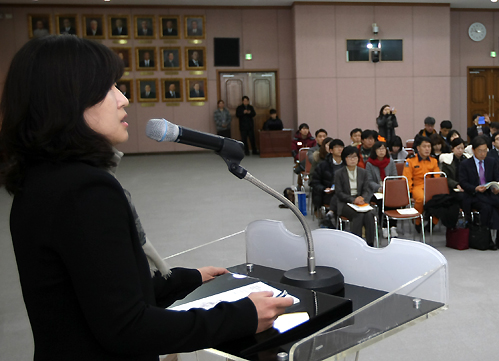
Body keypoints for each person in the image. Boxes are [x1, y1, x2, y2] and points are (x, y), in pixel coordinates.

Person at [0, 35, 292, 360]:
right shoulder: (85, 191)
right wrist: (243, 316)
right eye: (107, 88)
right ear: (65, 100)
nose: (123, 99)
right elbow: (127, 329)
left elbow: (98, 293)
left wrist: (187, 279)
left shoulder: (42, 179)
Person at [459, 136, 499, 250]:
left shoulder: (491, 162)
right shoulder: (465, 164)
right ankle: (490, 239)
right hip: (474, 195)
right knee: (487, 208)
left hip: (490, 193)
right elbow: (463, 182)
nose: (483, 154)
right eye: (480, 151)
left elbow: (497, 177)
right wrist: (475, 188)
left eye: (485, 150)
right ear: (473, 150)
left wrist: (497, 187)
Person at [334, 146, 377, 246]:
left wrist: (362, 198)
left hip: (361, 202)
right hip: (346, 203)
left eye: (355, 157)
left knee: (369, 214)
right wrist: (353, 200)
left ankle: (370, 244)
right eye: (349, 157)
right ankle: (357, 243)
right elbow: (339, 193)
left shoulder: (363, 172)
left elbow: (367, 189)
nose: (353, 160)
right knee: (359, 215)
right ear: (344, 159)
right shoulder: (339, 173)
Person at [403, 136, 441, 232]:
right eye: (424, 146)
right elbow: (407, 178)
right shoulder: (410, 161)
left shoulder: (434, 160)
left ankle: (433, 222)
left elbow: (437, 176)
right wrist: (409, 193)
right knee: (421, 198)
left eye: (429, 146)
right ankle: (417, 221)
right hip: (417, 186)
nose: (427, 149)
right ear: (418, 148)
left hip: (431, 186)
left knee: (441, 199)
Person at [364, 141, 399, 238]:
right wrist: (379, 188)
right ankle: (384, 227)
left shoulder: (390, 161)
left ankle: (393, 226)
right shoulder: (369, 163)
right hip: (375, 191)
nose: (381, 151)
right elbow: (369, 181)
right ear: (374, 151)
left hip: (389, 189)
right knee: (382, 201)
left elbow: (394, 177)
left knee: (392, 200)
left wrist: (388, 187)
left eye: (383, 148)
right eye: (379, 149)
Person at [311, 139, 345, 217]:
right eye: (337, 147)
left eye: (341, 147)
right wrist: (324, 189)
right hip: (328, 194)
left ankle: (332, 216)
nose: (340, 149)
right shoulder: (323, 165)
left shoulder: (347, 164)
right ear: (331, 150)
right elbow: (314, 182)